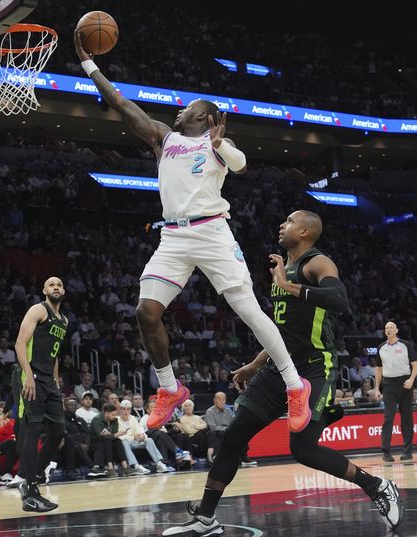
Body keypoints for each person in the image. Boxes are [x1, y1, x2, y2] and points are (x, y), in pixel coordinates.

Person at [74, 35, 311, 433]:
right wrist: (88, 64)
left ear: (205, 118)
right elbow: (120, 103)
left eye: (189, 109)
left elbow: (240, 164)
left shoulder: (216, 143)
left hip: (212, 233)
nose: (181, 111)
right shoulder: (165, 139)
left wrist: (224, 146)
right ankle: (170, 388)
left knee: (250, 313)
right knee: (145, 312)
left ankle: (294, 384)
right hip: (173, 238)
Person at [164, 211, 404, 535]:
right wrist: (256, 363)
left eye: (289, 221)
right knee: (234, 435)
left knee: (302, 449)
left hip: (316, 367)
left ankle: (376, 485)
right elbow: (280, 331)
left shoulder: (317, 263)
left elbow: (339, 299)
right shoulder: (285, 270)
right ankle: (206, 517)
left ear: (305, 231)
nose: (281, 225)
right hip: (280, 365)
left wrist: (289, 286)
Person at [12, 277, 68, 512]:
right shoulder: (38, 309)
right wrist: (29, 375)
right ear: (44, 290)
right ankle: (31, 490)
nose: (55, 287)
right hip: (30, 376)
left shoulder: (63, 320)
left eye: (59, 284)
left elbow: (54, 355)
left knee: (57, 432)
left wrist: (56, 383)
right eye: (51, 284)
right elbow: (19, 344)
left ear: (63, 291)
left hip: (48, 380)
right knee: (32, 430)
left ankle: (32, 476)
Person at [376, 321, 417, 462]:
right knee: (388, 418)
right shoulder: (381, 347)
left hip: (405, 383)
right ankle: (386, 452)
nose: (388, 330)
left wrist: (412, 379)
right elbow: (378, 368)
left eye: (391, 327)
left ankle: (408, 451)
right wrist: (377, 388)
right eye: (386, 328)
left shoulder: (406, 345)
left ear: (396, 330)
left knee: (407, 418)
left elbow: (415, 364)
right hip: (388, 384)